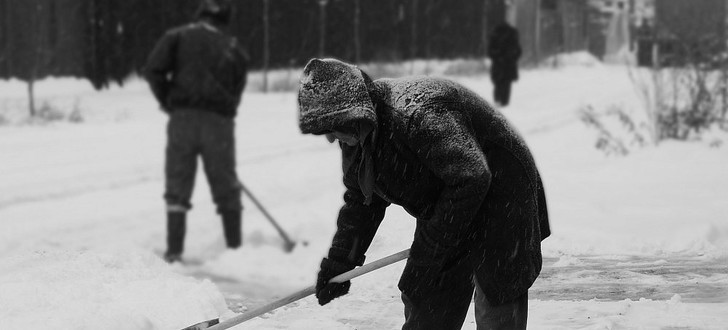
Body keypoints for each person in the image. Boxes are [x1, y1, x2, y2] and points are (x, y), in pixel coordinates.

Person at [298, 58, 550, 329]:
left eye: (332, 129)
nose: (330, 139)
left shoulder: (417, 115)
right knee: (427, 303)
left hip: (502, 197)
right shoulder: (357, 137)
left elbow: (472, 177)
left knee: (497, 295)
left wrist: (429, 253)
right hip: (450, 202)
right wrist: (340, 262)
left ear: (352, 115)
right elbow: (362, 201)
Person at [143, 0, 248, 263]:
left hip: (183, 120)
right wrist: (226, 110)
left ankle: (174, 250)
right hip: (218, 123)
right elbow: (238, 83)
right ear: (224, 20)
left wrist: (169, 102)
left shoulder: (176, 37)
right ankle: (235, 249)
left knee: (178, 183)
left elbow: (153, 70)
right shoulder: (233, 49)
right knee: (225, 184)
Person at [487, 21, 522, 107]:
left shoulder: (495, 35)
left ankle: (498, 99)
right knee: (506, 83)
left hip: (498, 63)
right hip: (508, 64)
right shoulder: (512, 35)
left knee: (498, 82)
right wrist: (513, 57)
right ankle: (503, 101)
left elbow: (490, 51)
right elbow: (518, 50)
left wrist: (496, 56)